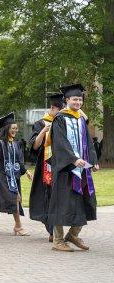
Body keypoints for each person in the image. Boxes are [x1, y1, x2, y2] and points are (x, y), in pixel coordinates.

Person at [48, 84, 98, 252]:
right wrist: (73, 159)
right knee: (61, 203)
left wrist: (93, 160)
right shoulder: (60, 119)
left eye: (80, 99)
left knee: (86, 200)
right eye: (74, 99)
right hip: (65, 169)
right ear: (67, 100)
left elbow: (88, 142)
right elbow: (60, 143)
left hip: (82, 168)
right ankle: (58, 240)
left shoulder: (80, 119)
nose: (77, 102)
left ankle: (73, 235)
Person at [0, 112, 33, 235]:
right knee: (15, 198)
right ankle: (18, 227)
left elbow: (18, 161)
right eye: (13, 128)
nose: (15, 130)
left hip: (13, 177)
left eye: (16, 128)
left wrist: (27, 172)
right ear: (6, 129)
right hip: (0, 176)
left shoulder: (15, 144)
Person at [28, 93, 63, 242]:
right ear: (53, 108)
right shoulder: (41, 123)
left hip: (61, 164)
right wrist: (44, 130)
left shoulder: (63, 122)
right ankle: (52, 231)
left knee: (60, 195)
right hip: (46, 165)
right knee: (48, 195)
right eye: (59, 110)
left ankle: (58, 229)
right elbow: (35, 146)